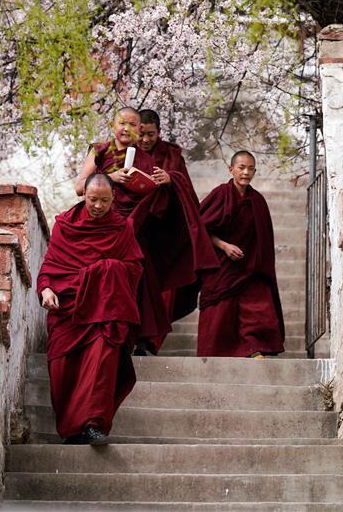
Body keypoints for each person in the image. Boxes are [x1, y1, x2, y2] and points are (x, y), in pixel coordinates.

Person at [75, 106, 218, 354]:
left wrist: (168, 180)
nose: (139, 135)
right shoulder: (102, 150)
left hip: (145, 228)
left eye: (137, 127)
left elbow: (174, 197)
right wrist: (112, 177)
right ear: (114, 126)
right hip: (108, 223)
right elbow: (81, 187)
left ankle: (140, 339)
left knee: (141, 281)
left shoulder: (156, 157)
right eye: (125, 125)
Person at [37, 173, 143, 445]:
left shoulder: (121, 228)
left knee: (101, 365)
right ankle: (72, 430)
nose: (98, 206)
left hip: (104, 311)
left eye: (104, 201)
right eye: (93, 199)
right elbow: (50, 265)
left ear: (114, 198)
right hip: (68, 311)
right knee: (62, 371)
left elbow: (134, 269)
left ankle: (93, 425)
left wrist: (104, 271)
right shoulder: (65, 225)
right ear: (84, 194)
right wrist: (46, 289)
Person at [197, 151, 285, 358]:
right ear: (231, 169)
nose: (246, 172)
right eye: (241, 168)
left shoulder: (257, 201)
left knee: (258, 305)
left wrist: (259, 264)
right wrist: (224, 246)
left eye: (250, 169)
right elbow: (200, 229)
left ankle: (254, 348)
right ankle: (217, 355)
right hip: (222, 264)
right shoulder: (220, 194)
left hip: (250, 265)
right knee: (221, 311)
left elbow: (263, 238)